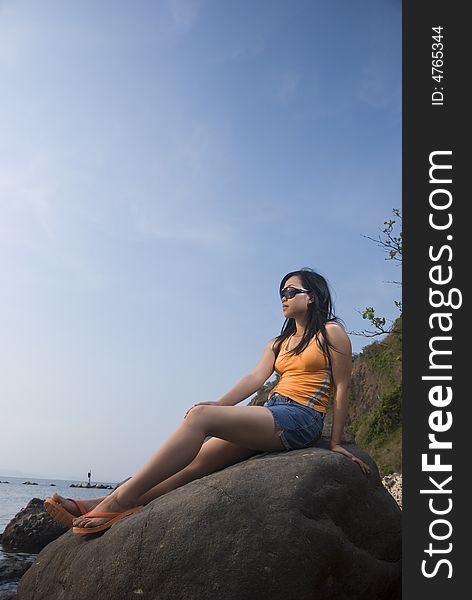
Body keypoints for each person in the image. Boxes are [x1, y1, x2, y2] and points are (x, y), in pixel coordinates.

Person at [45, 268, 370, 535]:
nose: (283, 298)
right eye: (281, 294)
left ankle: (118, 501)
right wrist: (218, 404)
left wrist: (337, 442)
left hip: (301, 417)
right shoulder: (278, 343)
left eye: (291, 292)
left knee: (199, 418)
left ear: (311, 296)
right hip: (272, 412)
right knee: (194, 465)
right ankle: (105, 501)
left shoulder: (331, 333)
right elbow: (254, 379)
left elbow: (342, 388)